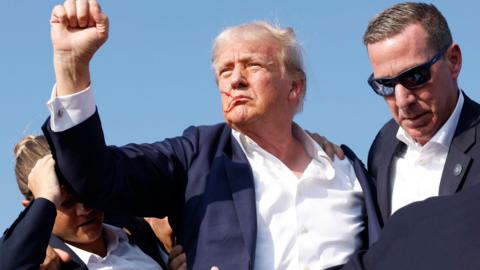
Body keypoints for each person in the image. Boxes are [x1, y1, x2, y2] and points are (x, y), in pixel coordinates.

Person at [42, 0, 380, 269]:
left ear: (295, 87)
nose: (235, 80)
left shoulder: (347, 168)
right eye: (225, 71)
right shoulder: (196, 158)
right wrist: (73, 67)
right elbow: (96, 175)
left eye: (253, 65)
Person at [363, 2, 480, 226]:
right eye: (385, 85)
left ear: (453, 61)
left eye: (415, 77)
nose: (402, 101)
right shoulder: (382, 147)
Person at [0, 135, 169, 269]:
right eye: (65, 203)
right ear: (33, 209)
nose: (85, 209)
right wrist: (45, 199)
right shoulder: (44, 263)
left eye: (87, 193)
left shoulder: (141, 233)